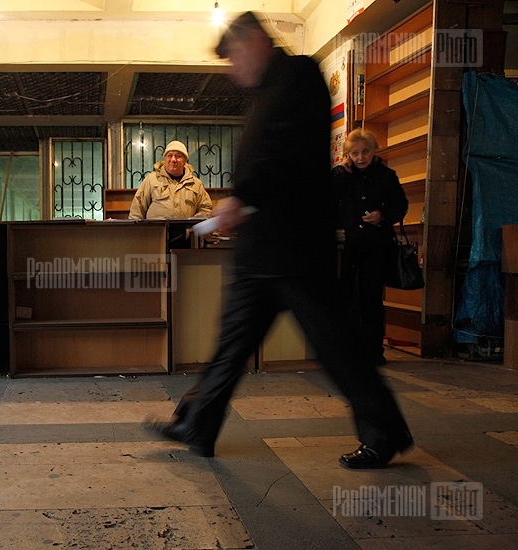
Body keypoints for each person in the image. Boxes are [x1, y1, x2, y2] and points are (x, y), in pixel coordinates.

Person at [144, 12, 412, 470]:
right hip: (260, 250)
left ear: (255, 41)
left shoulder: (300, 75)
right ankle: (197, 424)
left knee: (335, 345)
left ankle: (384, 430)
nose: (231, 70)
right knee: (229, 344)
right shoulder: (267, 92)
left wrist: (241, 197)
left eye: (232, 57)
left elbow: (283, 150)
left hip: (296, 248)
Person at [333, 129, 408, 367]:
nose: (360, 157)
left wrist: (382, 216)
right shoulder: (344, 175)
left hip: (376, 246)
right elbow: (328, 199)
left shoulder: (386, 176)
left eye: (365, 151)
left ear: (374, 151)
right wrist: (339, 173)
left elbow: (401, 206)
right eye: (354, 153)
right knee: (344, 297)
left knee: (371, 300)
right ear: (348, 155)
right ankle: (344, 350)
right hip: (349, 245)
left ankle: (374, 352)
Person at [128, 140, 213, 219]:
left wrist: (193, 222)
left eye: (178, 156)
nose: (173, 159)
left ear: (185, 161)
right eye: (169, 155)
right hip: (157, 234)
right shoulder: (151, 180)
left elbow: (206, 209)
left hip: (186, 234)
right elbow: (137, 210)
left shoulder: (196, 184)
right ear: (165, 158)